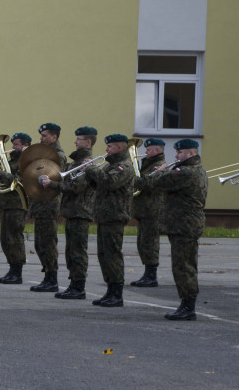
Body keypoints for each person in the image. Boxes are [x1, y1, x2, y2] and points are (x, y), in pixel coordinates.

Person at [148, 139, 208, 320]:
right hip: (183, 224)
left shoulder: (186, 172)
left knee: (184, 267)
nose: (176, 156)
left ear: (190, 153)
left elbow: (156, 182)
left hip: (185, 225)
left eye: (179, 152)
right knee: (183, 265)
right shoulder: (195, 170)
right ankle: (186, 304)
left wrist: (159, 171)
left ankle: (188, 306)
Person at [40, 127, 97, 300]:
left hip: (81, 212)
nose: (75, 141)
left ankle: (79, 287)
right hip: (72, 212)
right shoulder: (75, 163)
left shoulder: (86, 163)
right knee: (71, 252)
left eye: (79, 139)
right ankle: (73, 285)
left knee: (78, 252)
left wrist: (53, 185)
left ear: (88, 142)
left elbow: (76, 187)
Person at [83, 133, 135, 307]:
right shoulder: (110, 165)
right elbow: (99, 185)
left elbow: (110, 183)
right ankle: (110, 290)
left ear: (119, 148)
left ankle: (117, 293)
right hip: (105, 216)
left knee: (112, 255)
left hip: (115, 216)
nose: (106, 150)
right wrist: (89, 175)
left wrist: (91, 169)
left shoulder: (124, 166)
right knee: (104, 255)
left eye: (110, 147)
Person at [28, 123, 67, 292]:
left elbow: (55, 179)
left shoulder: (58, 155)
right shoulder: (44, 154)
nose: (41, 138)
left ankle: (52, 279)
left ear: (54, 137)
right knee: (39, 243)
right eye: (41, 135)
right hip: (40, 203)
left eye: (44, 136)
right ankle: (48, 276)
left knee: (48, 243)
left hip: (49, 204)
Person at [0, 132, 31, 285]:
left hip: (17, 204)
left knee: (14, 238)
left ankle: (17, 272)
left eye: (16, 145)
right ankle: (12, 269)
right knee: (6, 239)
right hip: (7, 204)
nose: (12, 148)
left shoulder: (27, 161)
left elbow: (18, 181)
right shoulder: (13, 160)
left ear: (25, 146)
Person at [130, 137, 167, 287]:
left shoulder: (159, 166)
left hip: (153, 211)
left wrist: (132, 177)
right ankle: (147, 273)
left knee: (150, 244)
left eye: (149, 149)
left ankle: (151, 276)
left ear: (157, 150)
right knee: (143, 243)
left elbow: (148, 183)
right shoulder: (148, 165)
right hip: (145, 211)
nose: (145, 152)